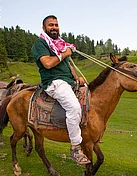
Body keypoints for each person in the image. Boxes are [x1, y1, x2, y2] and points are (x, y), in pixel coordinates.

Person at [32, 15, 91, 165]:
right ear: (44, 28)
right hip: (54, 82)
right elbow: (48, 64)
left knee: (91, 97)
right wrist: (65, 53)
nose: (54, 27)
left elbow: (67, 65)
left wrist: (77, 78)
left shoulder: (58, 43)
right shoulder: (40, 44)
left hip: (68, 81)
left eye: (56, 25)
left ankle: (90, 133)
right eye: (50, 25)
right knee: (73, 107)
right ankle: (75, 147)